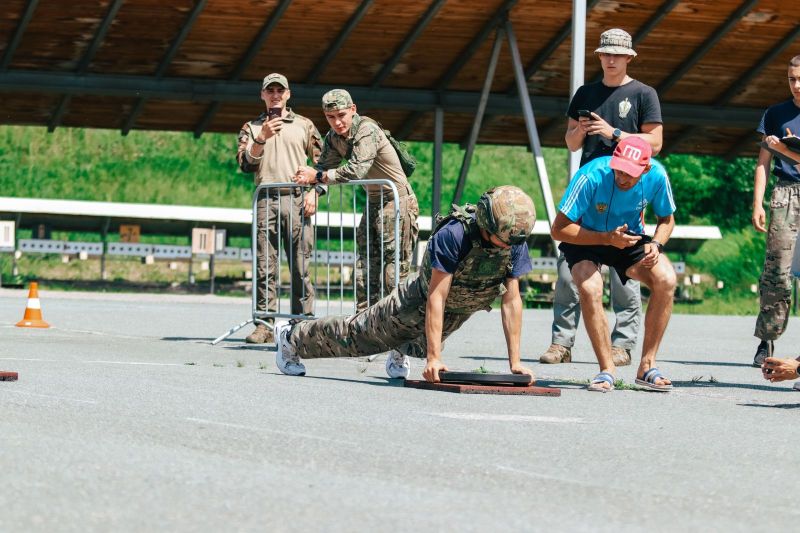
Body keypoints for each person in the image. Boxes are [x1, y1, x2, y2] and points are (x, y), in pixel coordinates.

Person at [272, 186, 536, 384]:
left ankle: (400, 348)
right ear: (487, 223)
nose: (509, 247)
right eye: (505, 241)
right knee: (358, 337)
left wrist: (515, 363)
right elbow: (436, 297)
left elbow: (512, 301)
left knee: (419, 346)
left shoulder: (513, 240)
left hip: (458, 309)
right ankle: (290, 337)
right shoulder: (455, 235)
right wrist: (435, 358)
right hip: (414, 302)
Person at [541, 28, 663, 367]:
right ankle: (561, 343)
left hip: (627, 189)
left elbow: (655, 143)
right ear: (599, 56)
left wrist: (615, 133)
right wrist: (581, 130)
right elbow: (570, 143)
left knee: (626, 270)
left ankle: (622, 345)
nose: (611, 59)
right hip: (589, 186)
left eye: (617, 55)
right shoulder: (586, 93)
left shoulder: (643, 94)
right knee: (570, 268)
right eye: (606, 54)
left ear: (629, 58)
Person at [551, 137, 676, 392]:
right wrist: (606, 238)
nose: (622, 177)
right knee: (590, 288)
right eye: (618, 170)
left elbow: (666, 219)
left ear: (645, 169)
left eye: (629, 173)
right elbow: (558, 229)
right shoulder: (590, 176)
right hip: (585, 236)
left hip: (628, 236)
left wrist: (656, 244)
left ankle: (647, 365)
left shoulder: (658, 175)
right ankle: (606, 369)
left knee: (666, 279)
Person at [294, 89, 419, 311]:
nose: (337, 122)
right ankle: (363, 323)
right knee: (364, 267)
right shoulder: (333, 138)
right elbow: (324, 166)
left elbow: (356, 170)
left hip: (397, 201)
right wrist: (314, 191)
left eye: (341, 115)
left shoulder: (367, 130)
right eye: (330, 117)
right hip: (373, 202)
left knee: (393, 271)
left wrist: (318, 177)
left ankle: (394, 323)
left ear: (353, 110)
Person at [236, 73, 322, 344]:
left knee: (300, 265)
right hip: (266, 200)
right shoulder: (251, 127)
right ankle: (264, 325)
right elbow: (245, 164)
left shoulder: (304, 125)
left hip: (297, 199)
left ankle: (302, 325)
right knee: (265, 265)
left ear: (288, 94)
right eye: (270, 90)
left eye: (279, 90)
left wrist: (316, 192)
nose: (275, 95)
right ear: (262, 95)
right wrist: (261, 137)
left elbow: (323, 162)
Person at [751, 55, 800, 367]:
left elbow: (778, 151)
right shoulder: (775, 113)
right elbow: (763, 162)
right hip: (785, 193)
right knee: (777, 271)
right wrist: (758, 202)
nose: (797, 85)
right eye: (792, 79)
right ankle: (766, 339)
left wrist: (783, 148)